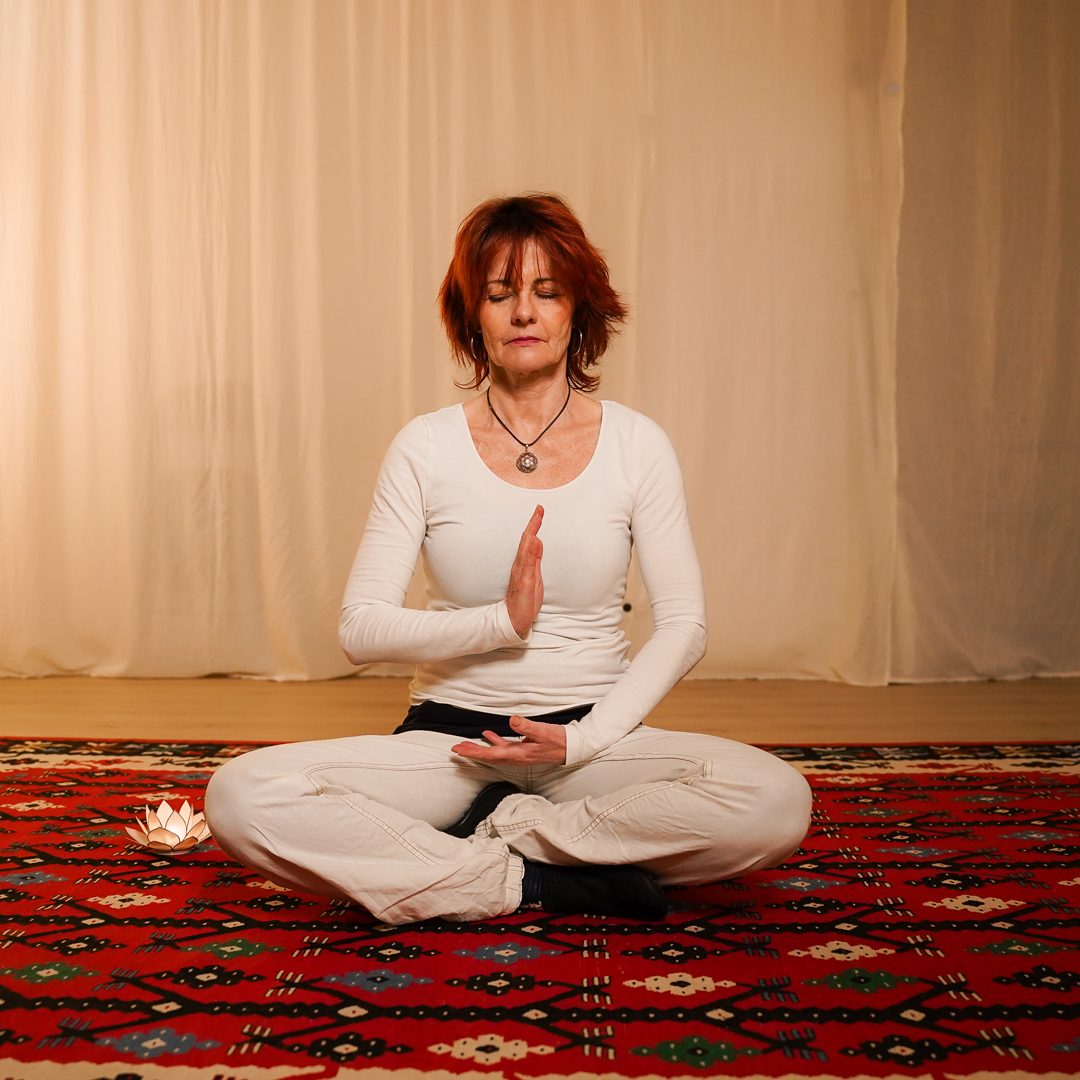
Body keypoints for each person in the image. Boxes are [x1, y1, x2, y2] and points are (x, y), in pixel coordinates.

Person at [205, 194, 811, 925]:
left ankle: (492, 841)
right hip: (450, 746)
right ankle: (533, 881)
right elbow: (360, 629)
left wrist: (581, 740)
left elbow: (685, 626)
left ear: (578, 310)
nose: (524, 312)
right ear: (473, 318)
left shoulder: (636, 444)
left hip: (592, 742)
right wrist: (501, 622)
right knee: (240, 795)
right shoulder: (425, 446)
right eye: (500, 294)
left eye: (546, 292)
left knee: (775, 801)